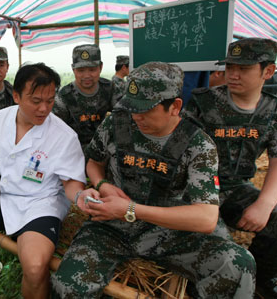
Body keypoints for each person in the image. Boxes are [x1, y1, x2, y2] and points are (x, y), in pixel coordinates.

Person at [52, 62, 255, 298]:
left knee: (237, 264)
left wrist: (131, 209)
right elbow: (94, 161)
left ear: (175, 106)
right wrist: (101, 184)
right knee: (67, 286)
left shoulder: (197, 144)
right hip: (111, 227)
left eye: (146, 109)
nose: (136, 116)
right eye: (131, 107)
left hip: (170, 230)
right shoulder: (116, 124)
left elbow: (206, 218)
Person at [0, 63, 98, 299]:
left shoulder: (64, 136)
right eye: (35, 101)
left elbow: (72, 183)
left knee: (34, 267)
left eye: (50, 101)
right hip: (3, 194)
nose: (44, 108)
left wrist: (80, 195)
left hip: (40, 203)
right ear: (16, 96)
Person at [183, 38, 277, 299]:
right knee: (223, 249)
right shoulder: (204, 102)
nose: (232, 74)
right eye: (230, 67)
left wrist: (264, 205)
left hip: (235, 189)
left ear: (267, 71)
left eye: (243, 69)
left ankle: (262, 281)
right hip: (197, 189)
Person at [53, 44, 126, 150]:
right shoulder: (63, 97)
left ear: (100, 67)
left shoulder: (110, 88)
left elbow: (124, 116)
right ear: (73, 69)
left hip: (104, 149)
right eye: (81, 70)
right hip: (74, 151)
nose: (87, 75)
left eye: (92, 69)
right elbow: (55, 132)